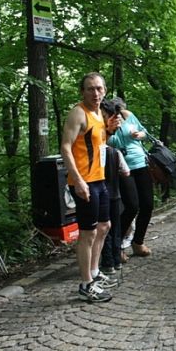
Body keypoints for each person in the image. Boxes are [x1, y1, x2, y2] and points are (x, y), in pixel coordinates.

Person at [60, 72, 120, 303]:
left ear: (105, 90)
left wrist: (109, 131)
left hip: (99, 179)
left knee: (104, 226)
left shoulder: (98, 114)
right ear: (82, 91)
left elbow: (98, 145)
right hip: (84, 181)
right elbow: (66, 147)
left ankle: (94, 273)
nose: (95, 93)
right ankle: (86, 284)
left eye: (99, 88)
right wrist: (78, 180)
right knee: (88, 233)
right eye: (90, 89)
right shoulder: (78, 113)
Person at [107, 98, 155, 257]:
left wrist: (139, 134)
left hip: (141, 163)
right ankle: (116, 246)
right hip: (122, 168)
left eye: (119, 110)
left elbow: (144, 133)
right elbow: (109, 142)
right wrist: (113, 129)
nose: (118, 113)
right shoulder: (105, 122)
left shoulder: (128, 115)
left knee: (147, 205)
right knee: (132, 207)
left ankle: (138, 242)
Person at [98, 142, 130, 276]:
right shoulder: (116, 152)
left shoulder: (95, 152)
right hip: (115, 195)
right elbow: (126, 172)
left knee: (104, 229)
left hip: (101, 195)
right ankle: (117, 260)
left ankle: (108, 262)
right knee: (116, 228)